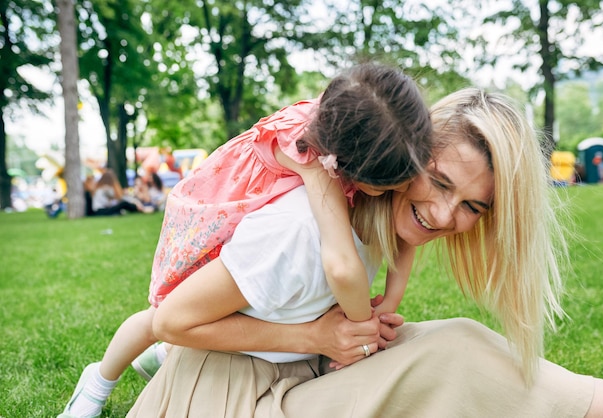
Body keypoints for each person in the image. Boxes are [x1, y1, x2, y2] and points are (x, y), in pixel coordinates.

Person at [126, 88, 603, 417]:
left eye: (473, 205)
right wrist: (316, 337)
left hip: (285, 375)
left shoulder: (371, 224)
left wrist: (349, 332)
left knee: (452, 341)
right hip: (226, 399)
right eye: (438, 182)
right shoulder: (305, 224)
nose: (447, 216)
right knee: (454, 355)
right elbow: (171, 321)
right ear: (405, 154)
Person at [58, 62, 433, 417]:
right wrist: (362, 329)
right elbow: (342, 265)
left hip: (255, 207)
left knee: (233, 307)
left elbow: (397, 238)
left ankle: (168, 352)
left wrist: (391, 302)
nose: (405, 189)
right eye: (390, 186)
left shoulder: (356, 117)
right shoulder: (314, 164)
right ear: (348, 167)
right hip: (222, 215)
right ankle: (97, 383)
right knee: (162, 315)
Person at [89, 169, 154, 216]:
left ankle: (140, 209)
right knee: (123, 204)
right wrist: (133, 201)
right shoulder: (105, 188)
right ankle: (141, 210)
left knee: (121, 206)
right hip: (100, 211)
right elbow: (119, 197)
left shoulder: (101, 188)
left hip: (99, 210)